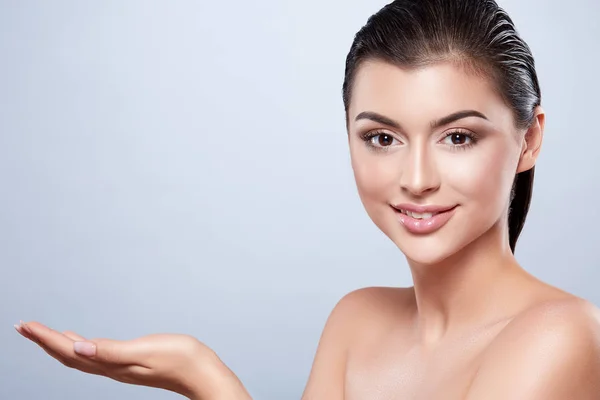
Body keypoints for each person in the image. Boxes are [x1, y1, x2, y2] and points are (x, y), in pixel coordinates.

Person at [15, 0, 600, 399]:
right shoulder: (357, 321)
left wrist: (206, 378)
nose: (416, 177)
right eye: (382, 137)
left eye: (458, 137)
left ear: (530, 139)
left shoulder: (563, 334)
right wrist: (197, 370)